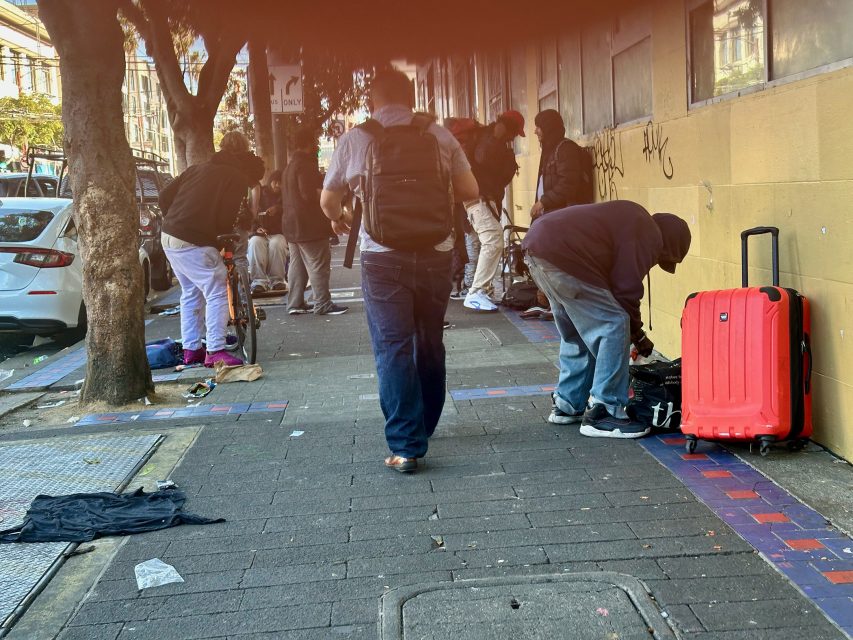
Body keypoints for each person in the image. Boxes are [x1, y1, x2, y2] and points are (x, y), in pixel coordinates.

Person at [320, 69, 479, 473]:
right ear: (411, 99)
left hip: (382, 257)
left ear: (372, 101)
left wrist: (340, 217)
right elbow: (471, 192)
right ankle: (425, 424)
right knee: (428, 339)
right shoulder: (439, 135)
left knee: (392, 346)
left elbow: (328, 199)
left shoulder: (356, 139)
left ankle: (407, 447)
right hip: (436, 253)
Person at [522, 200, 691, 439]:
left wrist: (638, 335)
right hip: (562, 254)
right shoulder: (648, 232)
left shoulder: (630, 221)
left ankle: (568, 403)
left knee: (578, 333)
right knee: (614, 324)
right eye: (661, 258)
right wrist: (637, 334)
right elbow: (625, 292)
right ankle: (604, 410)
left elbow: (613, 289)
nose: (654, 261)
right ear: (668, 244)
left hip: (538, 247)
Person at [159, 131, 265, 367]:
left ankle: (192, 348)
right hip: (193, 240)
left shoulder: (197, 168)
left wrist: (177, 218)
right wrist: (221, 242)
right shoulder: (235, 177)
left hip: (169, 235)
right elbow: (226, 218)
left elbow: (164, 195)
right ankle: (215, 350)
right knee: (217, 288)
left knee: (190, 292)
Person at [461, 110, 524, 312]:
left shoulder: (487, 138)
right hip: (478, 199)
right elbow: (482, 159)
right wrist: (498, 141)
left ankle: (483, 291)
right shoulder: (489, 138)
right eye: (514, 133)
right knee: (494, 238)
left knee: (491, 239)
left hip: (481, 199)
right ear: (508, 128)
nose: (513, 138)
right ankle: (476, 292)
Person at [283, 127, 348, 316]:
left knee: (297, 264)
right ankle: (323, 303)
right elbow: (309, 193)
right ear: (310, 144)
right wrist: (331, 197)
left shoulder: (289, 167)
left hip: (291, 225)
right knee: (318, 263)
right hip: (308, 225)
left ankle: (295, 302)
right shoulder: (305, 165)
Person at [530, 109, 588, 221]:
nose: (535, 131)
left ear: (548, 128)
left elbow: (568, 185)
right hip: (552, 216)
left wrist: (543, 202)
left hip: (564, 218)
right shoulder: (550, 150)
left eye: (538, 127)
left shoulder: (565, 149)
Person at [248, 169, 288, 294]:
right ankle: (258, 281)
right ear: (270, 181)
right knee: (255, 243)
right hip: (259, 232)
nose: (277, 185)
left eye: (280, 183)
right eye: (275, 182)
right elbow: (251, 214)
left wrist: (279, 209)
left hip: (278, 232)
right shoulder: (260, 193)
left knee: (277, 244)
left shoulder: (287, 196)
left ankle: (277, 280)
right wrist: (256, 229)